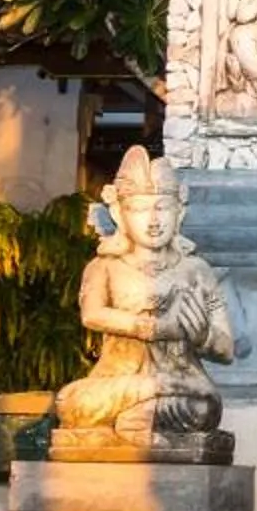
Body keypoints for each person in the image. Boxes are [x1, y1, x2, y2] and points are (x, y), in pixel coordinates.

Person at [54, 144, 236, 447]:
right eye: (140, 209)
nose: (153, 221)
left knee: (204, 409)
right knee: (69, 402)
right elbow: (92, 314)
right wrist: (154, 327)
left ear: (180, 213)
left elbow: (226, 349)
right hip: (117, 379)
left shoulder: (196, 270)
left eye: (162, 208)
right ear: (119, 214)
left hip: (182, 383)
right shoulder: (105, 266)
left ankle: (140, 414)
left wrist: (203, 335)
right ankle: (149, 398)